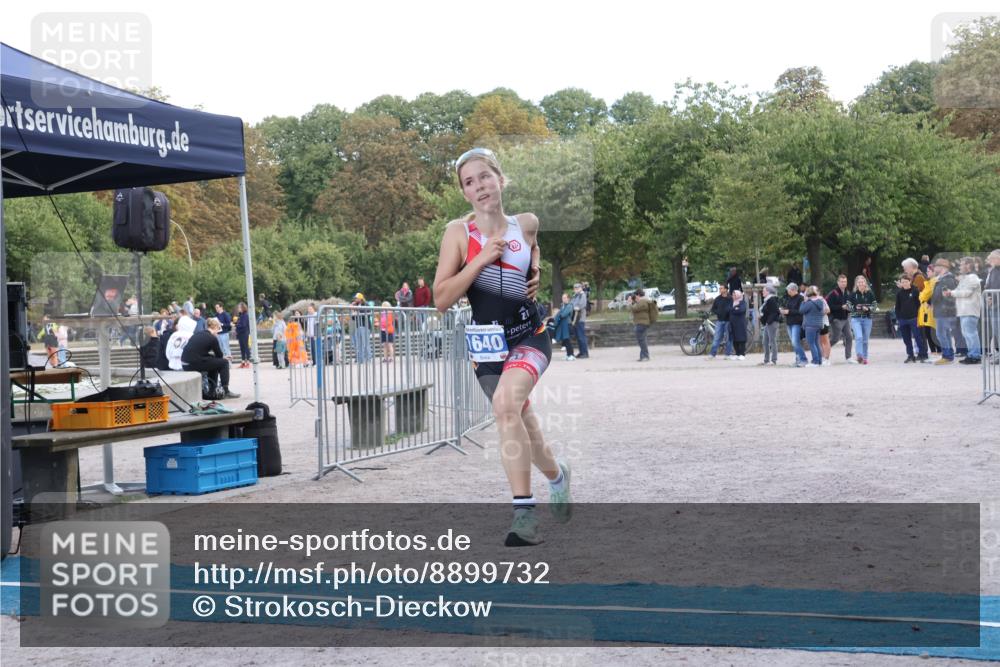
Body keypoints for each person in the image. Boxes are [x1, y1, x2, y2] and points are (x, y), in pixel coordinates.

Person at [432, 146, 569, 547]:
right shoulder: (459, 234)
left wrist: (537, 268)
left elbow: (533, 246)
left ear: (500, 179)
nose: (480, 186)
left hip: (529, 333)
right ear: (465, 194)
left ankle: (523, 515)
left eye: (485, 177)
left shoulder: (526, 224)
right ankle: (558, 477)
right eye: (469, 182)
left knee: (506, 408)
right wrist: (479, 261)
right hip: (487, 346)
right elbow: (441, 298)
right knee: (521, 419)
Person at [181, 318, 240, 399]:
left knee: (214, 363)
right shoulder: (212, 338)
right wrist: (224, 358)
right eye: (218, 329)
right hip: (193, 364)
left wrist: (220, 357)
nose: (218, 333)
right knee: (224, 363)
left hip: (185, 363)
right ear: (215, 327)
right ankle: (226, 391)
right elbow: (219, 355)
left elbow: (201, 353)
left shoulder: (198, 334)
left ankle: (212, 391)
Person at [946, 257, 983, 365]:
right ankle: (971, 354)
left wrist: (952, 293)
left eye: (962, 264)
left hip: (970, 310)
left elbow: (966, 292)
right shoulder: (965, 278)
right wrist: (951, 292)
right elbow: (958, 290)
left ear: (968, 265)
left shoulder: (973, 277)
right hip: (964, 310)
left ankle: (975, 356)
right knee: (967, 334)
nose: (960, 267)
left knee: (971, 334)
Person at [930, 258, 959, 364]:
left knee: (941, 334)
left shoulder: (947, 279)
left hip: (944, 311)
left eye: (936, 266)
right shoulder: (941, 279)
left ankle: (946, 355)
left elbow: (948, 296)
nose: (935, 268)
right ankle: (949, 354)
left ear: (943, 267)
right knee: (944, 333)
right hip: (941, 310)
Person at [894, 273, 925, 363]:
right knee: (906, 339)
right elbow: (897, 307)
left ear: (910, 282)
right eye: (902, 282)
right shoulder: (899, 293)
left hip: (914, 318)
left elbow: (919, 304)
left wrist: (917, 315)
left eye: (906, 282)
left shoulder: (915, 291)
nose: (904, 284)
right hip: (903, 319)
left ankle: (923, 354)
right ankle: (910, 355)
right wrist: (899, 318)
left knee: (918, 337)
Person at [847, 275, 878, 365]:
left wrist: (868, 309)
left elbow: (875, 306)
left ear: (865, 283)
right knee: (859, 337)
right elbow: (848, 306)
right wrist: (855, 308)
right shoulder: (852, 294)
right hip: (856, 319)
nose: (861, 284)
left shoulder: (870, 293)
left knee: (865, 340)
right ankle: (859, 355)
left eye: (862, 282)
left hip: (867, 319)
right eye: (859, 282)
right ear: (856, 284)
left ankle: (865, 357)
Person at [826, 275, 853, 362]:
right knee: (835, 339)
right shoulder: (833, 293)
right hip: (836, 319)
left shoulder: (848, 293)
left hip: (846, 318)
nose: (843, 283)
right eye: (841, 281)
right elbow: (828, 306)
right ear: (838, 282)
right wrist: (841, 307)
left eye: (845, 282)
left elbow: (849, 305)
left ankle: (848, 357)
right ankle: (824, 355)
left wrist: (849, 308)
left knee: (849, 337)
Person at [780, 283, 807, 367]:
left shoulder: (801, 298)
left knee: (795, 342)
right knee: (794, 343)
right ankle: (798, 359)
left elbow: (800, 311)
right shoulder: (789, 298)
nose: (787, 292)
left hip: (797, 323)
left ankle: (803, 359)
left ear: (793, 290)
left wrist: (789, 311)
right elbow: (789, 309)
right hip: (789, 323)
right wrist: (784, 311)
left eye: (788, 290)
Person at [799, 286, 825, 366]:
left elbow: (801, 310)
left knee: (811, 343)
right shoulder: (820, 301)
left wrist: (804, 301)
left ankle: (815, 361)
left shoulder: (809, 303)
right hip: (818, 325)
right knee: (816, 343)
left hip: (810, 325)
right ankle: (819, 360)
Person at [707, 284, 734, 360]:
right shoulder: (717, 299)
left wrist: (729, 311)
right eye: (720, 288)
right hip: (720, 321)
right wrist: (718, 312)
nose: (720, 290)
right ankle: (712, 354)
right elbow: (713, 309)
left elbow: (733, 308)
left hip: (728, 321)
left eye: (721, 288)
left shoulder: (731, 298)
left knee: (728, 338)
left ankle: (728, 354)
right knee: (716, 337)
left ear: (726, 289)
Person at [628, 289, 655, 362]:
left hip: (642, 323)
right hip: (643, 322)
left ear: (638, 295)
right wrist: (633, 302)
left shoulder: (642, 301)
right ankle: (643, 356)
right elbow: (637, 308)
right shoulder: (643, 301)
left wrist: (630, 303)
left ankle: (645, 356)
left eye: (636, 295)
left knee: (641, 340)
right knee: (642, 339)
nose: (635, 297)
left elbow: (634, 309)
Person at [984, 249, 1000, 363]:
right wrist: (988, 297)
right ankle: (998, 354)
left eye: (992, 258)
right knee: (995, 332)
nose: (990, 260)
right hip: (993, 306)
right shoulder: (993, 270)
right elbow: (988, 286)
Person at [759, 284, 780, 366]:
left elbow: (775, 312)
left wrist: (768, 321)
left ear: (768, 291)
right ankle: (766, 360)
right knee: (765, 341)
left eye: (764, 291)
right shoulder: (767, 299)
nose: (762, 292)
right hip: (768, 323)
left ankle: (773, 360)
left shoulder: (772, 299)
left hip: (772, 322)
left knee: (772, 341)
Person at [349, 293, 373, 363]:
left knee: (366, 343)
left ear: (360, 298)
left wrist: (356, 310)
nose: (355, 300)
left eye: (356, 298)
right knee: (359, 344)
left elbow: (367, 313)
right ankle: (360, 359)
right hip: (358, 326)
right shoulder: (356, 306)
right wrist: (352, 310)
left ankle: (368, 358)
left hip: (365, 326)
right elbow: (353, 318)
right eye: (355, 298)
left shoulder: (366, 304)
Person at [552, 293, 575, 360]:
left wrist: (559, 314)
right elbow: (560, 314)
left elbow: (563, 314)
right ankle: (568, 355)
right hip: (562, 325)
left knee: (567, 340)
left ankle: (571, 355)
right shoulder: (563, 306)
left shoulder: (570, 305)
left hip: (567, 324)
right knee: (565, 340)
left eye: (565, 298)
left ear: (568, 298)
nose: (563, 299)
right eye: (563, 298)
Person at [570, 282, 589, 359]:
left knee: (581, 336)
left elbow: (581, 305)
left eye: (578, 288)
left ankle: (585, 353)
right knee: (578, 337)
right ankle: (581, 352)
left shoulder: (582, 295)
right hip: (575, 319)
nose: (576, 289)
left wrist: (574, 307)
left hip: (580, 319)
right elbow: (571, 305)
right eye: (575, 288)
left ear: (581, 288)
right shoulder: (575, 296)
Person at [729, 290, 748, 359]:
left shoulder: (742, 302)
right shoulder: (732, 302)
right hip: (732, 323)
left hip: (740, 323)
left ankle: (742, 354)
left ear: (738, 295)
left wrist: (733, 309)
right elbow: (729, 310)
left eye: (734, 295)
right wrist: (735, 308)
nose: (733, 296)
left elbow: (741, 310)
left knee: (741, 338)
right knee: (735, 338)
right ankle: (737, 354)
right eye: (733, 295)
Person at [235, 302, 251, 368]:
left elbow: (243, 325)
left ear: (242, 308)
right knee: (242, 348)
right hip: (240, 334)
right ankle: (243, 362)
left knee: (246, 348)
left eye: (239, 307)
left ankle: (248, 362)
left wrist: (236, 325)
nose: (238, 309)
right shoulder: (241, 315)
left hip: (244, 333)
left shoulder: (245, 315)